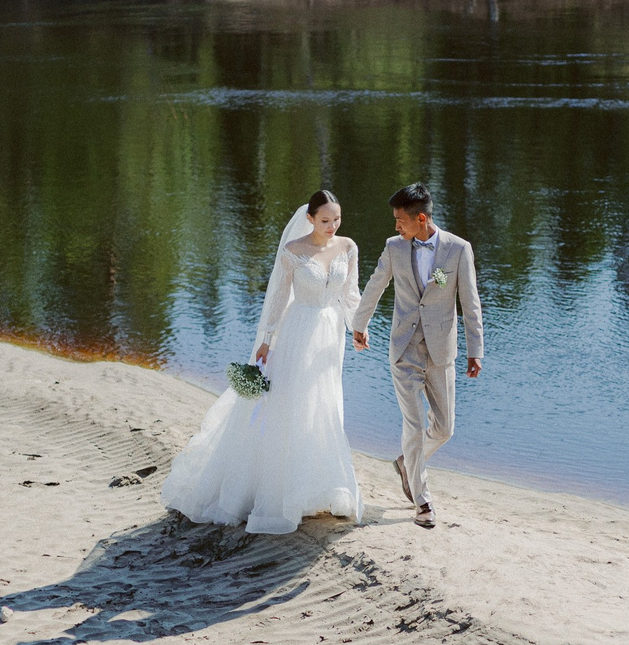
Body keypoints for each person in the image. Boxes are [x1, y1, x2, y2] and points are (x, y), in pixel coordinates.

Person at [162, 191, 363, 535]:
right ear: (311, 218)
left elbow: (351, 293)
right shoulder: (293, 251)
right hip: (299, 332)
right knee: (292, 404)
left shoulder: (348, 247)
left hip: (331, 338)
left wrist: (358, 327)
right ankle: (281, 492)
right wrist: (267, 340)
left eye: (337, 219)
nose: (332, 226)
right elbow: (280, 297)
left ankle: (320, 485)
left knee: (324, 405)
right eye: (325, 220)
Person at [350, 182, 482, 530]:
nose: (396, 226)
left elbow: (470, 303)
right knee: (412, 423)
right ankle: (422, 501)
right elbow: (376, 284)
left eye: (400, 220)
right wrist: (359, 324)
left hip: (442, 352)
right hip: (404, 349)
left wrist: (475, 350)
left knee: (445, 428)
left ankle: (406, 462)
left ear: (420, 219)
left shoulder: (458, 250)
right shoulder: (394, 247)